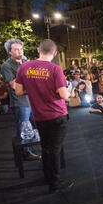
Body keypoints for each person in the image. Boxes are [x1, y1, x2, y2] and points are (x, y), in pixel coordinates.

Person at [15, 39, 73, 194]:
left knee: (46, 148)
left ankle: (47, 176)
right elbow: (64, 95)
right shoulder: (55, 69)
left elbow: (18, 91)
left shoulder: (24, 67)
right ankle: (54, 183)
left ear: (37, 50)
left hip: (39, 116)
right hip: (57, 115)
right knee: (54, 149)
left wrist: (34, 90)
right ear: (55, 53)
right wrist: (68, 90)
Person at [1, 39, 41, 161]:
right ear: (9, 52)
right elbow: (13, 84)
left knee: (37, 125)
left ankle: (37, 148)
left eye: (21, 49)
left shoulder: (25, 62)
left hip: (32, 100)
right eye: (16, 49)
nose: (20, 52)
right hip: (20, 103)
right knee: (23, 129)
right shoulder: (6, 65)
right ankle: (25, 153)